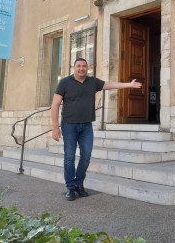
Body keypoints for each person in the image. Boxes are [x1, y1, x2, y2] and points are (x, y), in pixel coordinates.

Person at [51, 58, 141, 201]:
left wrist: (129, 85)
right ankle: (70, 187)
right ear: (74, 68)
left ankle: (79, 183)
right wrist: (56, 128)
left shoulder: (92, 82)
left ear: (88, 68)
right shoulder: (64, 83)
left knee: (86, 157)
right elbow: (55, 105)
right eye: (79, 66)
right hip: (69, 126)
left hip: (86, 125)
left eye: (84, 66)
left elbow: (110, 84)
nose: (81, 69)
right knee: (69, 158)